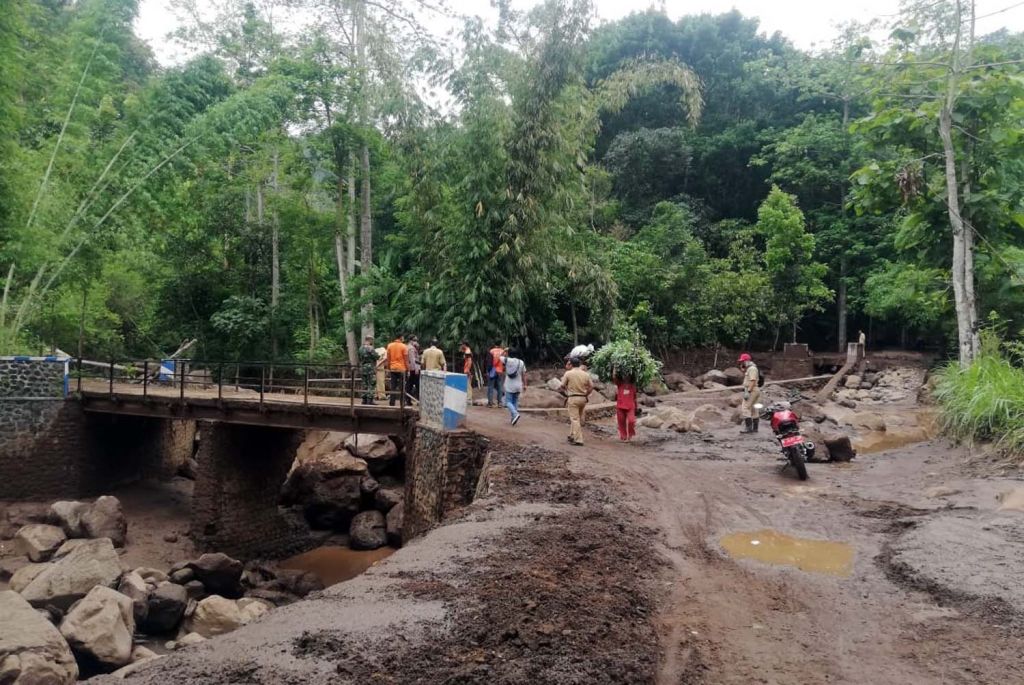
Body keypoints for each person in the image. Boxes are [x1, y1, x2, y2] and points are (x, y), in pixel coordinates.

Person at [560, 357, 593, 446]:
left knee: (574, 419)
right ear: (579, 364)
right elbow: (591, 386)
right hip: (583, 398)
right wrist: (586, 394)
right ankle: (571, 435)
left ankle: (578, 439)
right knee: (577, 418)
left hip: (573, 398)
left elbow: (562, 385)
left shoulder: (568, 373)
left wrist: (566, 390)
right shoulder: (585, 374)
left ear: (571, 364)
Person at [501, 347, 526, 426]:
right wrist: (525, 384)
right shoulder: (521, 362)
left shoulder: (507, 360)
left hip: (509, 385)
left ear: (509, 354)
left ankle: (515, 414)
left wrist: (504, 350)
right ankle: (513, 418)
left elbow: (500, 357)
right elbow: (524, 374)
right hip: (518, 385)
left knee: (507, 402)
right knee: (515, 402)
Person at [739, 353, 761, 433]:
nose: (742, 363)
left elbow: (752, 381)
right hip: (754, 390)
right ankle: (755, 428)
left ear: (747, 361)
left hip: (752, 390)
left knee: (745, 407)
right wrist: (743, 368)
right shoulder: (751, 368)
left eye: (743, 361)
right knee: (754, 409)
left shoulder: (752, 369)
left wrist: (748, 391)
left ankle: (748, 428)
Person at [613, 371, 637, 441]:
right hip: (620, 406)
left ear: (630, 377)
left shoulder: (633, 386)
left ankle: (630, 434)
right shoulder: (619, 384)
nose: (626, 377)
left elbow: (635, 397)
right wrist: (614, 368)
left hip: (630, 407)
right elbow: (614, 377)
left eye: (628, 375)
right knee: (621, 423)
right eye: (625, 375)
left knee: (631, 421)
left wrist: (636, 407)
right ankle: (623, 437)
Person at [386, 334, 408, 406]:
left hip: (393, 368)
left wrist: (388, 368)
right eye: (403, 337)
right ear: (401, 337)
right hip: (401, 369)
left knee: (393, 386)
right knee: (402, 387)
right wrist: (408, 369)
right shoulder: (404, 346)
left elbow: (388, 358)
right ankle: (402, 403)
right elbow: (406, 359)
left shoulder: (389, 346)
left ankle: (392, 403)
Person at [358, 335, 378, 405]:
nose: (372, 341)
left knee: (364, 383)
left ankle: (364, 399)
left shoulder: (360, 348)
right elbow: (376, 356)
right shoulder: (370, 348)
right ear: (370, 340)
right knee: (371, 383)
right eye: (372, 340)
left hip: (363, 367)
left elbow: (359, 357)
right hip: (370, 367)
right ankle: (370, 399)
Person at [487, 342, 506, 407]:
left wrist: (488, 371)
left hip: (493, 371)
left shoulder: (491, 351)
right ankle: (500, 403)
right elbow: (504, 362)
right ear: (500, 345)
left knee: (490, 387)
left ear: (494, 345)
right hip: (500, 371)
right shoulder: (503, 351)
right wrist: (503, 369)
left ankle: (490, 403)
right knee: (500, 387)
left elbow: (489, 362)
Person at [406, 335, 421, 399]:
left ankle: (408, 400)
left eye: (416, 340)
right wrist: (416, 369)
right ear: (410, 340)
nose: (416, 342)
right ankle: (417, 399)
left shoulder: (408, 347)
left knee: (410, 384)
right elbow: (412, 360)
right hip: (413, 369)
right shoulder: (411, 348)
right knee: (416, 385)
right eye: (414, 340)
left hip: (411, 368)